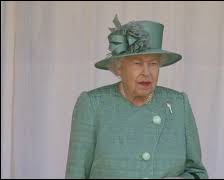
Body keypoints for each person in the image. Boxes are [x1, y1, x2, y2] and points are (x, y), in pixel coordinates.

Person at [65, 15, 208, 179]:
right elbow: (75, 174)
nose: (146, 72)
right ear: (119, 68)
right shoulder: (93, 105)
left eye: (153, 63)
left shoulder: (178, 105)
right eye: (137, 63)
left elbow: (198, 174)